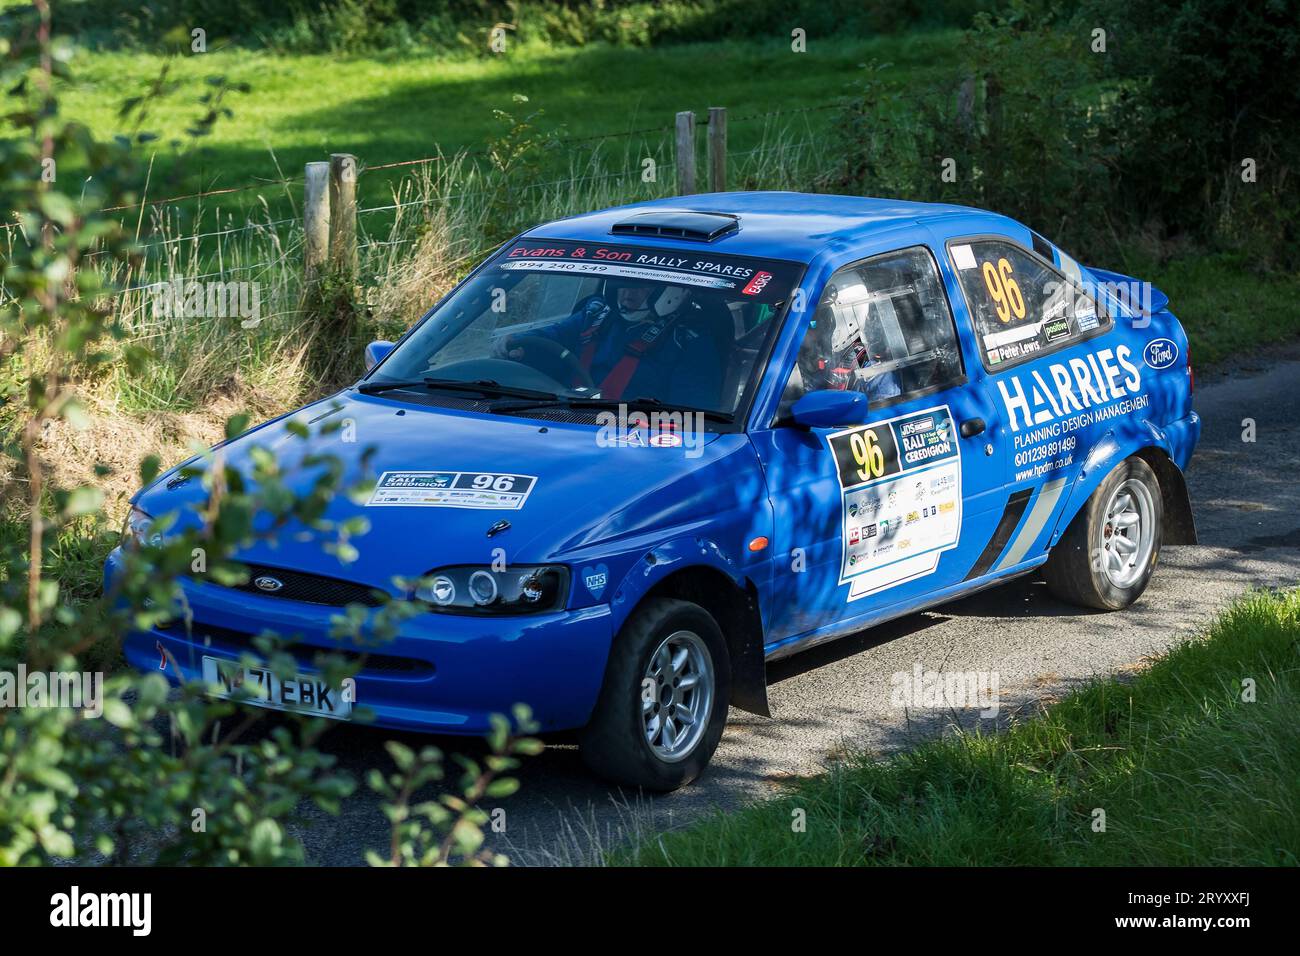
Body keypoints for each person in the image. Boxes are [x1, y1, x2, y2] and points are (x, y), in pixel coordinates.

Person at [502, 277, 725, 409]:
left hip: (628, 438)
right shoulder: (596, 314)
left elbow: (691, 420)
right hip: (557, 416)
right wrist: (516, 344)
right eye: (623, 283)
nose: (628, 293)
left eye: (641, 286)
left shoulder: (690, 342)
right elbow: (553, 336)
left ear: (671, 291)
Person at [801, 276, 901, 403]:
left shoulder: (873, 374)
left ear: (846, 317)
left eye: (818, 320)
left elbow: (882, 416)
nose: (809, 330)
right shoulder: (815, 360)